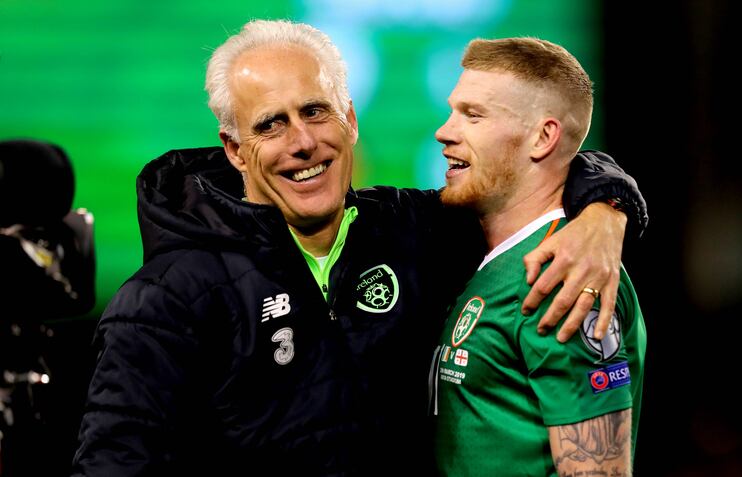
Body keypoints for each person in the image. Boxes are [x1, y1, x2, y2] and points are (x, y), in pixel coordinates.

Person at [72, 20, 647, 476]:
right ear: (235, 148)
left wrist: (605, 210)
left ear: (349, 120)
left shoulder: (418, 232)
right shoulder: (165, 299)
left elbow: (527, 175)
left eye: (316, 111)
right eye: (271, 125)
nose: (303, 142)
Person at [431, 37, 645, 476]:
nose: (445, 131)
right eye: (454, 110)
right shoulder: (499, 257)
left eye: (473, 115)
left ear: (543, 137)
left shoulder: (563, 273)